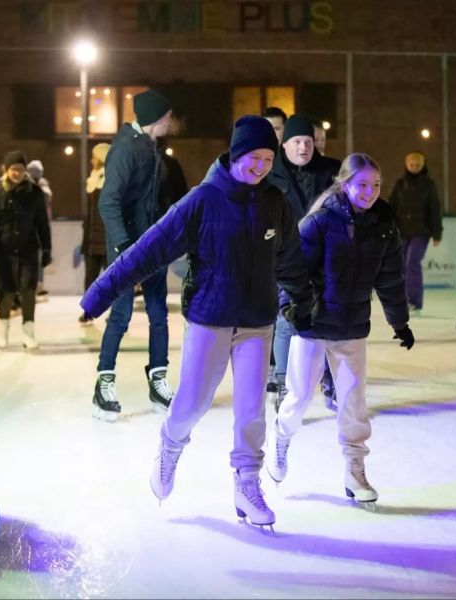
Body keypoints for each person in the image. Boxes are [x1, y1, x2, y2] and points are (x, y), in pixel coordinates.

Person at [80, 115, 312, 529]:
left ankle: (246, 481)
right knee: (190, 404)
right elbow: (146, 251)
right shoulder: (202, 201)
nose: (260, 166)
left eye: (266, 158)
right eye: (252, 158)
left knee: (251, 411)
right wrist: (99, 294)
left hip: (258, 322)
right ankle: (170, 446)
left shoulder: (275, 203)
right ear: (236, 154)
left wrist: (305, 303)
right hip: (210, 318)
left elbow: (291, 263)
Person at [266, 153, 413, 508]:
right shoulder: (320, 221)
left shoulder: (383, 225)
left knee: (353, 403)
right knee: (299, 396)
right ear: (345, 184)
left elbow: (391, 279)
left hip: (351, 328)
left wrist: (399, 321)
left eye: (376, 185)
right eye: (362, 184)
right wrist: (289, 308)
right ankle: (280, 440)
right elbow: (292, 267)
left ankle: (355, 469)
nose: (370, 192)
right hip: (313, 324)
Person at [94, 89, 175, 418]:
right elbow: (107, 201)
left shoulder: (150, 146)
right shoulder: (125, 148)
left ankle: (158, 380)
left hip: (151, 244)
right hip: (129, 248)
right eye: (168, 115)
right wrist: (124, 246)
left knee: (159, 314)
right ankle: (103, 384)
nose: (171, 120)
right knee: (121, 315)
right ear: (156, 117)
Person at [266, 114, 339, 411]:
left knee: (324, 320)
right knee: (285, 320)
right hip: (284, 257)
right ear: (285, 144)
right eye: (297, 141)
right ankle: (284, 383)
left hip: (322, 257)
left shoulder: (331, 171)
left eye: (308, 142)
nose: (303, 148)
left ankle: (328, 379)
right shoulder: (270, 174)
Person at [0, 151, 51, 350]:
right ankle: (3, 329)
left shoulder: (34, 193)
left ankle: (28, 333)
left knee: (28, 292)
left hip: (28, 250)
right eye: (13, 169)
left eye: (20, 170)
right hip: (3, 251)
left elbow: (42, 224)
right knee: (7, 293)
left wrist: (46, 249)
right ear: (5, 169)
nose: (17, 173)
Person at [389, 151, 443, 311]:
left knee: (412, 262)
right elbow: (391, 206)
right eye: (411, 164)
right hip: (401, 231)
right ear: (406, 164)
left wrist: (437, 232)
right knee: (401, 265)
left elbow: (435, 208)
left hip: (421, 231)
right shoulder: (399, 184)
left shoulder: (429, 185)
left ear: (423, 165)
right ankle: (403, 299)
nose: (414, 167)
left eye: (417, 164)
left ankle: (415, 301)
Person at [79, 143, 110, 325]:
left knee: (112, 278)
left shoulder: (110, 179)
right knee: (89, 277)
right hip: (91, 238)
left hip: (105, 237)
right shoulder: (93, 179)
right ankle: (88, 311)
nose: (91, 160)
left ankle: (116, 311)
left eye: (94, 157)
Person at [27, 159, 52, 300]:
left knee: (40, 255)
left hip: (40, 226)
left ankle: (39, 283)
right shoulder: (26, 185)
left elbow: (47, 197)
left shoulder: (42, 186)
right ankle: (34, 283)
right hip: (30, 226)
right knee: (32, 256)